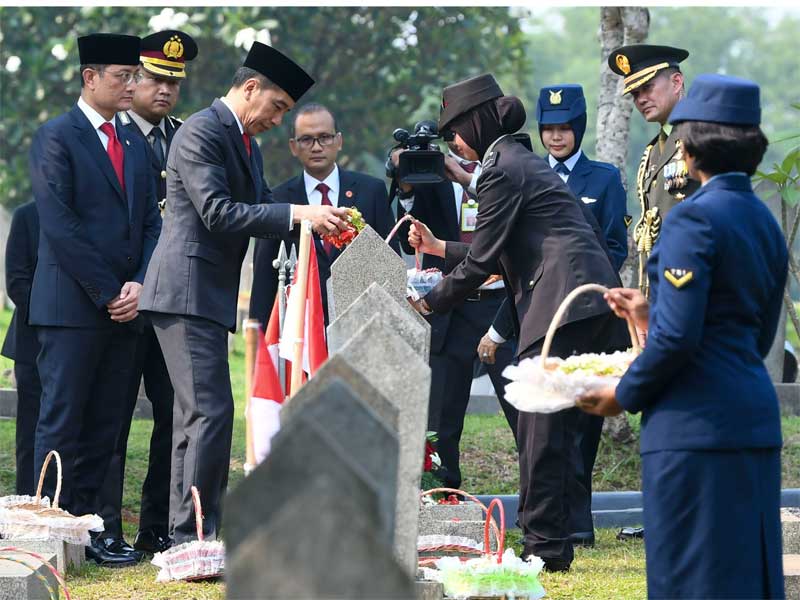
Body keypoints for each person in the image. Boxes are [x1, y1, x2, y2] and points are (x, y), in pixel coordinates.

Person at [408, 73, 629, 572]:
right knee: (546, 429)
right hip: (578, 302)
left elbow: (484, 258)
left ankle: (545, 547)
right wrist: (441, 245)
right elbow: (504, 244)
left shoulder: (506, 168)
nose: (454, 145)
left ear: (478, 123)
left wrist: (427, 302)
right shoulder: (512, 162)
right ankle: (551, 541)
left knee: (539, 429)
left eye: (455, 134)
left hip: (562, 305)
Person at [578, 74, 787, 599]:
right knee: (747, 581)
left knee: (690, 582)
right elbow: (750, 335)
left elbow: (679, 344)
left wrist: (620, 396)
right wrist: (654, 313)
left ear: (688, 149)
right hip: (751, 420)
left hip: (694, 432)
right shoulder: (764, 220)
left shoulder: (692, 220)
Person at [139, 42, 348, 545]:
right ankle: (193, 535)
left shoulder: (245, 142)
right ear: (250, 88)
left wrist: (330, 218)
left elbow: (265, 208)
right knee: (209, 412)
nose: (277, 121)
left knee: (197, 416)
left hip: (206, 295)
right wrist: (303, 215)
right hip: (184, 291)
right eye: (276, 107)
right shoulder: (201, 131)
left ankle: (187, 533)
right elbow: (220, 212)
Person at [28, 33, 161, 567]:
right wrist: (109, 292)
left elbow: (152, 221)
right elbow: (60, 226)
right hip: (72, 309)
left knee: (110, 426)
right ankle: (50, 529)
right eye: (122, 76)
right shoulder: (55, 137)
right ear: (90, 78)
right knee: (62, 420)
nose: (132, 85)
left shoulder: (133, 143)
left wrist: (141, 284)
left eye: (135, 76)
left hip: (126, 308)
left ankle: (100, 529)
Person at [97, 29, 198, 556]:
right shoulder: (111, 135)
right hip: (124, 300)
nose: (163, 91)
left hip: (174, 303)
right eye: (155, 79)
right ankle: (106, 525)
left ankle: (156, 525)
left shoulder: (186, 136)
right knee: (113, 420)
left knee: (175, 419)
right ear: (133, 79)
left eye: (173, 83)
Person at [392, 130, 519, 493]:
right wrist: (406, 189)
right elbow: (407, 238)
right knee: (442, 419)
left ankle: (540, 503)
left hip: (500, 306)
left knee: (521, 410)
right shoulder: (432, 174)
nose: (457, 141)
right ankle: (441, 498)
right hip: (449, 307)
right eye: (449, 134)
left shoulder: (504, 169)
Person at [249, 102, 398, 327]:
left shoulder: (371, 191)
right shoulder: (277, 200)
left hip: (361, 324)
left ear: (339, 141)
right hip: (300, 330)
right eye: (306, 139)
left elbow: (390, 261)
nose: (316, 147)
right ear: (293, 146)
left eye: (325, 137)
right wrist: (258, 340)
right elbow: (264, 280)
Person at [608, 44, 699, 294]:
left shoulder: (702, 137)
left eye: (647, 88)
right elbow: (649, 235)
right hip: (660, 292)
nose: (641, 100)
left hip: (694, 289)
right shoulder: (652, 152)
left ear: (677, 81)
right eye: (635, 94)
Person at [537, 84, 628, 271]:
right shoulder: (529, 175)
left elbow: (615, 248)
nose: (555, 137)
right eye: (548, 128)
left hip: (586, 291)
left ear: (579, 128)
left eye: (564, 128)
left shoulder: (606, 178)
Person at [1, 201, 40, 496]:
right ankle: (26, 500)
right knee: (29, 429)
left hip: (80, 342)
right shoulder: (26, 215)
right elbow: (16, 281)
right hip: (31, 340)